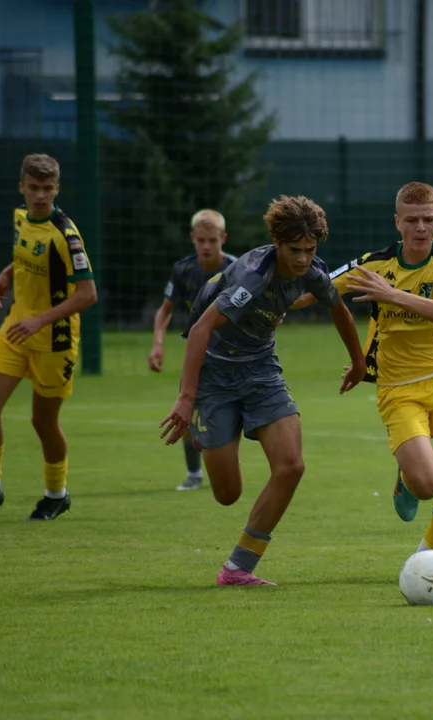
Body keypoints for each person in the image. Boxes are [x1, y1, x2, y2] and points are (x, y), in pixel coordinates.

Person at [159, 195, 366, 586]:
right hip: (215, 377)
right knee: (227, 494)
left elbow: (338, 308)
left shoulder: (313, 272)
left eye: (310, 250)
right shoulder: (252, 276)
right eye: (295, 250)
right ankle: (201, 429)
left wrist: (359, 361)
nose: (303, 259)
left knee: (292, 466)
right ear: (276, 241)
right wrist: (187, 399)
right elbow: (200, 330)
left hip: (261, 371)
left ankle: (239, 568)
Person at [293, 181, 433, 557]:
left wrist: (392, 295)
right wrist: (266, 304)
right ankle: (408, 479)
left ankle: (424, 556)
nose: (421, 229)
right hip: (398, 390)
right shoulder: (374, 264)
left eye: (428, 220)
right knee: (428, 484)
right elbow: (314, 291)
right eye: (412, 220)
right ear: (397, 222)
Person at [0, 153, 98, 522]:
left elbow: (87, 294)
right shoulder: (20, 218)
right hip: (17, 329)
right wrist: (8, 273)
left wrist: (40, 321)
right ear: (22, 187)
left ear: (57, 189)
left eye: (48, 189)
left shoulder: (67, 235)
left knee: (43, 422)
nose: (40, 195)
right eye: (34, 188)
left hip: (55, 340)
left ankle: (56, 495)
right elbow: (29, 253)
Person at [148, 209, 238, 491]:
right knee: (184, 412)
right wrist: (157, 345)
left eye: (212, 240)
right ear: (192, 238)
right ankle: (193, 474)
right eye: (201, 240)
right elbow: (165, 311)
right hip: (198, 355)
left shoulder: (237, 269)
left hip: (236, 354)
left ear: (223, 238)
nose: (207, 246)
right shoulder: (183, 269)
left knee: (234, 415)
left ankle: (225, 468)